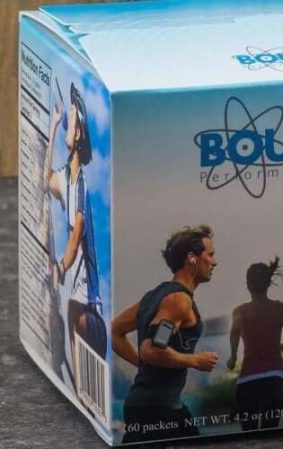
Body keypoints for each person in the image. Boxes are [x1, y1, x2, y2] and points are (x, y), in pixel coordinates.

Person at [111, 225, 220, 443]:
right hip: (156, 409)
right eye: (210, 255)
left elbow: (115, 331)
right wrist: (195, 360)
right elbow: (151, 349)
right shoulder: (179, 300)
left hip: (157, 405)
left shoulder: (154, 296)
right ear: (192, 258)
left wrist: (143, 364)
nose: (214, 262)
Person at [44, 82, 105, 389]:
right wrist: (54, 125)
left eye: (70, 118)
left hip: (87, 293)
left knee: (74, 316)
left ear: (78, 133)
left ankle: (85, 389)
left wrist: (61, 266)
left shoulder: (80, 183)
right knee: (69, 314)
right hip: (77, 287)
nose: (68, 121)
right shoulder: (67, 176)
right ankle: (82, 391)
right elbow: (46, 179)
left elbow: (78, 230)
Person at [227, 256, 283, 431]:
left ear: (247, 285)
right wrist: (276, 347)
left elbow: (234, 333)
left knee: (249, 434)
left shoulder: (240, 311)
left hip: (248, 378)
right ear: (268, 284)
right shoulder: (281, 308)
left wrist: (233, 357)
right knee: (269, 432)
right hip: (275, 377)